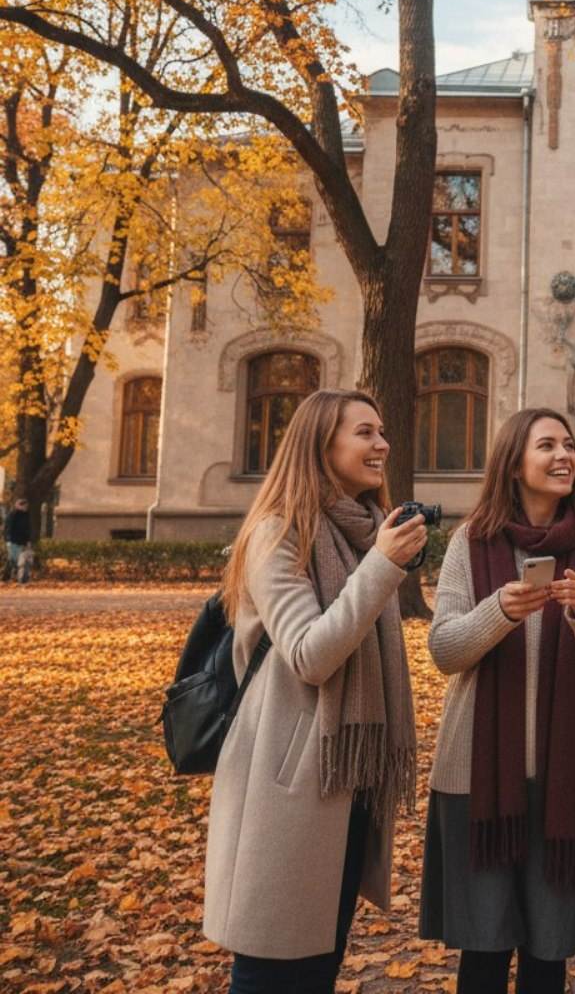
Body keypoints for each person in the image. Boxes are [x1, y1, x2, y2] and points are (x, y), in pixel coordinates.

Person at [203, 389, 428, 994]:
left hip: (343, 776)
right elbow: (310, 655)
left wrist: (379, 559)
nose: (381, 443)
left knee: (318, 967)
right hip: (287, 776)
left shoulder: (358, 531)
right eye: (364, 432)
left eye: (381, 431)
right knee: (272, 965)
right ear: (320, 444)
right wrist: (381, 567)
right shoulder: (277, 534)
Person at [421, 408, 575, 994]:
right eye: (547, 445)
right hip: (476, 782)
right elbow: (444, 650)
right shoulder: (471, 542)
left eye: (569, 444)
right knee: (484, 953)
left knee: (548, 955)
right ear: (515, 463)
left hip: (566, 783)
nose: (564, 455)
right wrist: (499, 613)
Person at [4, 497, 31, 582]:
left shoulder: (26, 515)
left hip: (21, 541)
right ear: (18, 505)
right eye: (24, 506)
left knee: (18, 560)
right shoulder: (13, 514)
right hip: (12, 540)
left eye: (26, 506)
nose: (25, 508)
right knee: (12, 559)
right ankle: (7, 576)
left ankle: (14, 576)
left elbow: (27, 529)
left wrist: (28, 541)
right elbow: (8, 527)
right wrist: (8, 539)